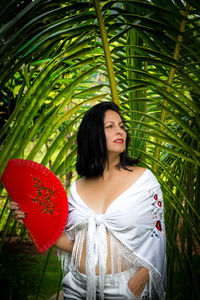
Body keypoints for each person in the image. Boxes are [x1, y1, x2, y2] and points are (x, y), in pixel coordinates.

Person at [10, 101, 167, 300]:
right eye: (110, 126)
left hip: (124, 289)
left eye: (121, 126)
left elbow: (157, 239)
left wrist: (138, 281)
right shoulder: (76, 188)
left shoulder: (145, 181)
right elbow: (73, 243)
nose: (120, 132)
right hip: (77, 285)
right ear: (92, 134)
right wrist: (29, 216)